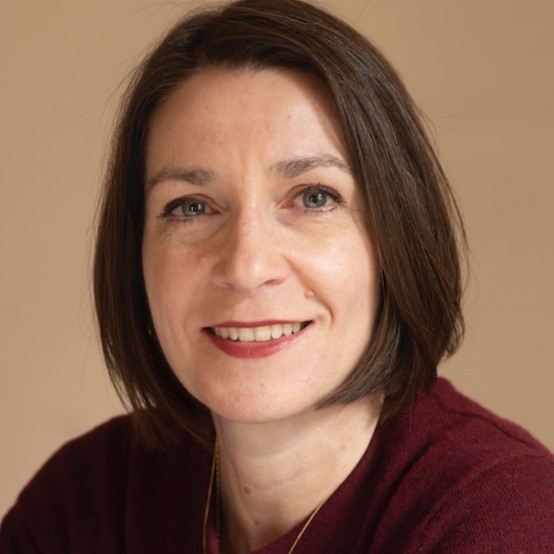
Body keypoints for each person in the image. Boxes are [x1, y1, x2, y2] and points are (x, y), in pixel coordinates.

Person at [1, 0, 553, 552]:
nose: (246, 267)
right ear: (135, 253)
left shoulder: (503, 521)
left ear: (396, 238)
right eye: (192, 206)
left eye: (313, 198)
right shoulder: (85, 502)